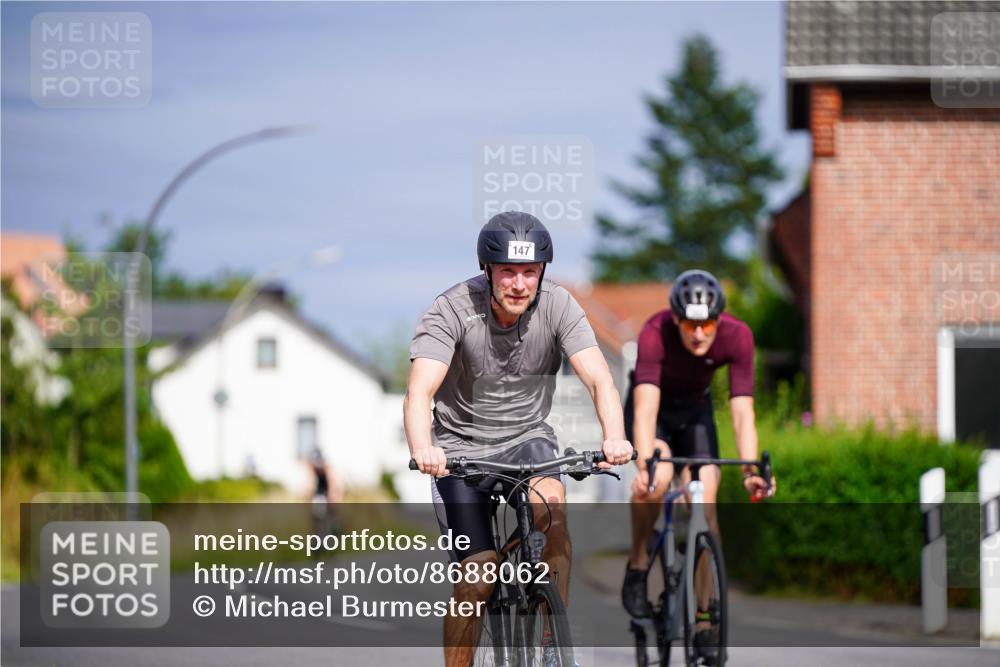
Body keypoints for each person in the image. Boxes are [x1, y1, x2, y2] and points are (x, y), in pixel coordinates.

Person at [406, 211, 633, 667]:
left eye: (529, 272)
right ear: (487, 270)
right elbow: (419, 391)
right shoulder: (451, 310)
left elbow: (598, 379)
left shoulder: (560, 306)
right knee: (477, 577)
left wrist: (615, 438)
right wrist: (423, 450)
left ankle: (550, 639)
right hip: (460, 452)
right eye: (507, 271)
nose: (518, 284)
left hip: (528, 439)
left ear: (542, 272)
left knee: (553, 511)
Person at [619, 269, 776, 660]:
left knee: (705, 496)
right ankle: (638, 563)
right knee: (658, 480)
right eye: (691, 324)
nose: (700, 333)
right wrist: (645, 466)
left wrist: (751, 471)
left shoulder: (737, 336)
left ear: (719, 319)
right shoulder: (655, 332)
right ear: (676, 319)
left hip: (695, 416)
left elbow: (743, 414)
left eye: (707, 323)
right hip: (652, 411)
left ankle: (705, 618)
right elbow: (645, 407)